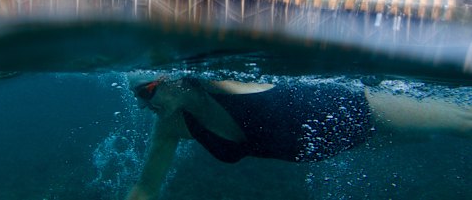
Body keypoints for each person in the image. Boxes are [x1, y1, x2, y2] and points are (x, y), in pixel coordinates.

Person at [125, 75, 472, 200]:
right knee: (431, 137)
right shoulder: (172, 124)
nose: (144, 105)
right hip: (348, 141)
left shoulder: (218, 80)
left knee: (461, 121)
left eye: (147, 92)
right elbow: (145, 189)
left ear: (174, 78)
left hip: (356, 107)